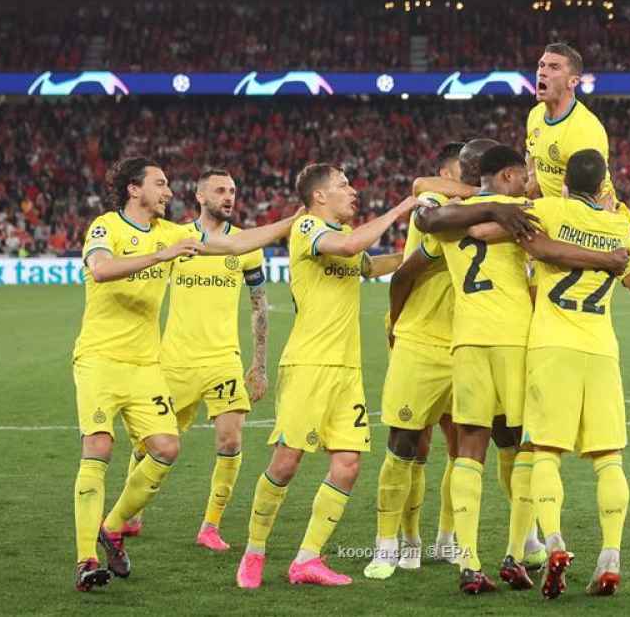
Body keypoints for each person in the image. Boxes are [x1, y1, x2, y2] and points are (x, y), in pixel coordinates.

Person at [72, 156, 297, 592]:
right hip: (100, 358)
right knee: (99, 447)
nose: (168, 191)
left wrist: (292, 220)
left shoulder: (173, 233)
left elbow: (235, 244)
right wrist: (161, 255)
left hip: (145, 365)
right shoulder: (107, 227)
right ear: (134, 189)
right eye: (160, 184)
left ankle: (113, 526)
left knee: (166, 448)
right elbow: (100, 269)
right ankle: (86, 560)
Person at [412, 145, 626, 595]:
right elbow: (558, 247)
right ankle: (515, 553)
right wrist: (608, 256)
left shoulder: (450, 214)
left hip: (467, 339)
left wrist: (481, 203)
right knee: (526, 448)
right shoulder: (523, 211)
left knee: (469, 448)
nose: (531, 180)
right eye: (525, 173)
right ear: (508, 175)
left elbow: (425, 213)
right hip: (517, 339)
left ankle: (468, 562)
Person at [415, 43, 630, 339]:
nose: (542, 72)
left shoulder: (584, 130)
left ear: (573, 81)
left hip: (595, 220)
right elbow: (532, 175)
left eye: (553, 67)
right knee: (510, 266)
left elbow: (585, 197)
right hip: (553, 214)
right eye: (541, 65)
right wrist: (510, 200)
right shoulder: (536, 116)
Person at [235, 163, 416, 589]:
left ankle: (307, 558)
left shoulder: (341, 237)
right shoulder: (307, 228)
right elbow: (351, 246)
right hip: (309, 364)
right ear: (319, 196)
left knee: (348, 465)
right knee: (286, 462)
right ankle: (254, 552)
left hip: (347, 369)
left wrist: (419, 254)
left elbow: (370, 264)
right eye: (343, 185)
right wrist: (401, 209)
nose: (353, 191)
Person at [505, 149, 630, 600]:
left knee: (545, 451)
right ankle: (611, 556)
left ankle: (555, 541)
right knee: (609, 458)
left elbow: (506, 224)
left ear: (564, 184)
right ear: (602, 187)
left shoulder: (547, 209)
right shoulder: (620, 226)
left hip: (552, 346)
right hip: (601, 349)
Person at [118, 168, 271, 552]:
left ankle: (211, 526)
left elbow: (259, 307)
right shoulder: (176, 237)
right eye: (220, 190)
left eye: (232, 190)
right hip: (175, 361)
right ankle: (130, 513)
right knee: (150, 444)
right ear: (200, 196)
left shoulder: (247, 246)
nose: (228, 196)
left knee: (231, 439)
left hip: (224, 360)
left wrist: (260, 364)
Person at [364, 142, 465, 580]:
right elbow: (404, 274)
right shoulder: (433, 203)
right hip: (420, 339)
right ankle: (397, 541)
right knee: (409, 444)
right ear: (446, 173)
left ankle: (448, 536)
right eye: (463, 171)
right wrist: (396, 322)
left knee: (462, 447)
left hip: (466, 343)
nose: (472, 179)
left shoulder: (482, 210)